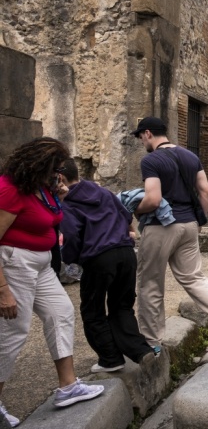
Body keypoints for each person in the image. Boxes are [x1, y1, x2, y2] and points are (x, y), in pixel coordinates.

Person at [0, 138, 104, 427]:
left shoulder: (42, 188)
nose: (57, 174)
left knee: (61, 312)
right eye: (53, 168)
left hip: (41, 262)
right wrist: (3, 290)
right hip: (13, 262)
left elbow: (50, 219)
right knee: (13, 331)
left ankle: (68, 386)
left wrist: (60, 194)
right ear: (36, 165)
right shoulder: (9, 189)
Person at [131, 117, 208, 352]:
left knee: (150, 283)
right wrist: (198, 220)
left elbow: (153, 198)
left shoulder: (151, 160)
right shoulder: (191, 157)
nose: (142, 142)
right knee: (194, 277)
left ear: (148, 133)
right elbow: (205, 191)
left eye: (141, 137)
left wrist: (135, 209)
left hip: (161, 227)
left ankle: (153, 343)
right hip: (189, 223)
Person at [58, 158, 155, 373]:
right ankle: (141, 351)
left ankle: (110, 359)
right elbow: (124, 213)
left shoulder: (67, 203)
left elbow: (72, 235)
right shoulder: (101, 191)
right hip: (125, 253)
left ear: (60, 178)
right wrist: (127, 236)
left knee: (92, 309)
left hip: (98, 257)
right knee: (122, 305)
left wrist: (71, 259)